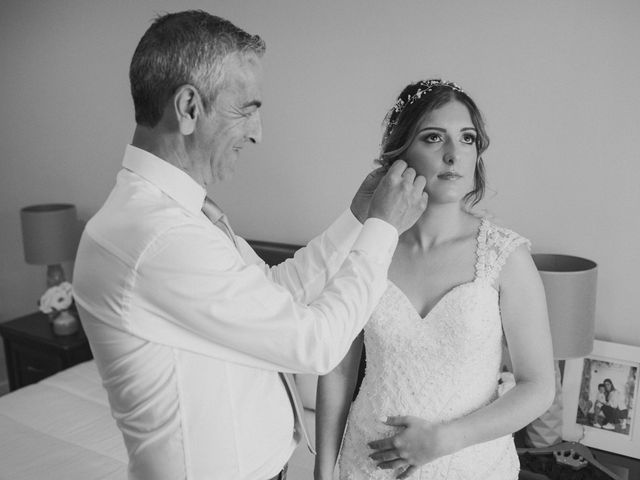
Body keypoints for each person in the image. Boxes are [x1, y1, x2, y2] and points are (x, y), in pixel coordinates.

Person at [72, 11, 428, 480]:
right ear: (188, 108)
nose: (258, 132)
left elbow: (273, 291)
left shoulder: (179, 214)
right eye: (246, 108)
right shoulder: (157, 236)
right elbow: (316, 344)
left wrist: (357, 220)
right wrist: (384, 228)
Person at [314, 79, 556, 480]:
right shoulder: (369, 247)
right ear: (401, 152)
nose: (453, 154)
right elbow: (337, 369)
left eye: (467, 139)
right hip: (367, 466)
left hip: (472, 466)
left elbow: (538, 386)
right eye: (432, 138)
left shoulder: (505, 257)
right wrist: (323, 470)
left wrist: (444, 440)